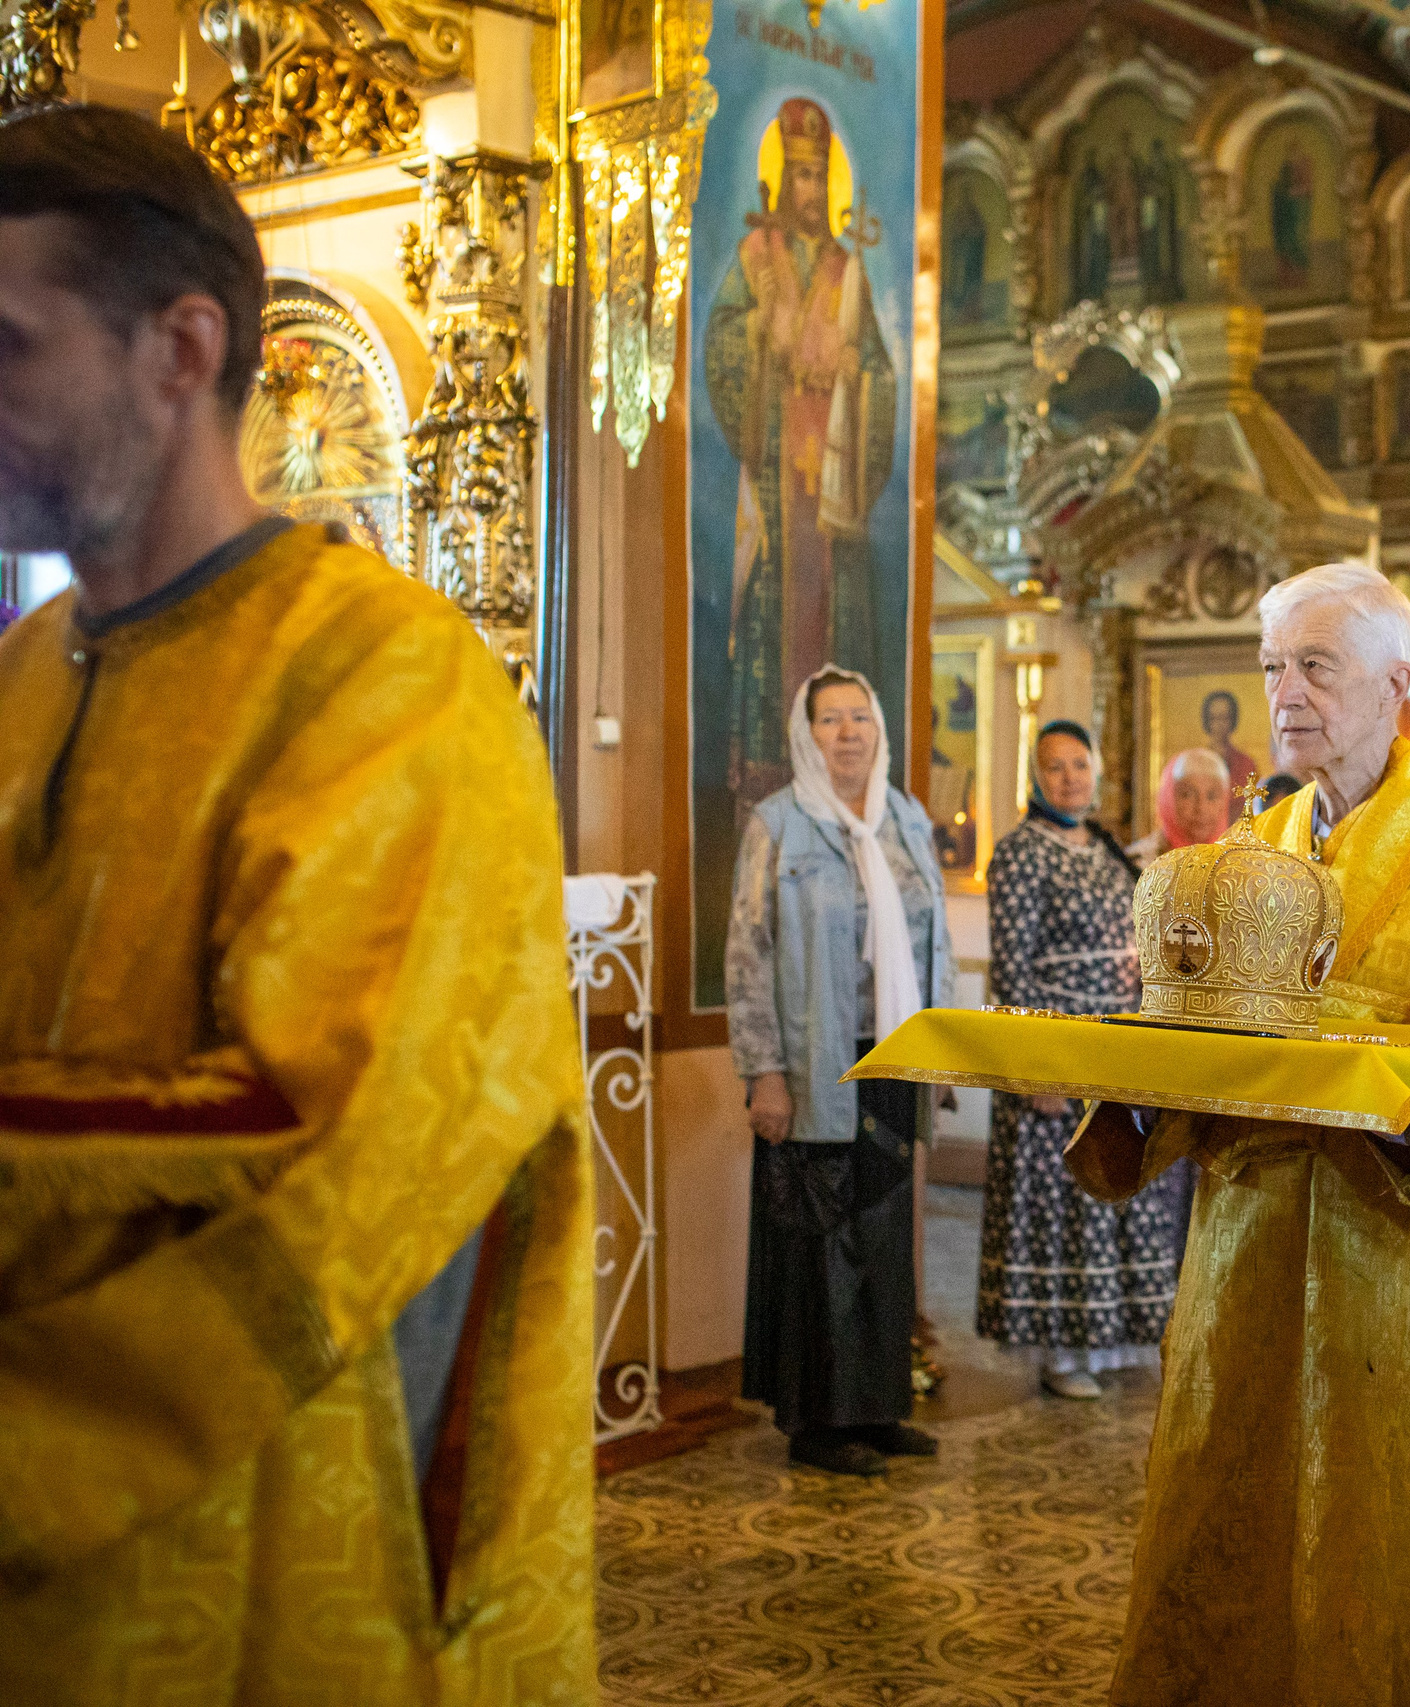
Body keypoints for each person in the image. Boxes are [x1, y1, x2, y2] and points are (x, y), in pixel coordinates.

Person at [0, 107, 594, 1702]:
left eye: (9, 343)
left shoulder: (387, 681)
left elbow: (311, 1107)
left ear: (180, 348)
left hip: (262, 1516)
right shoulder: (23, 675)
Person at [1069, 561, 1410, 1705]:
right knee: (1231, 1498)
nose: (1285, 693)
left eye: (1314, 666)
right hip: (1249, 1242)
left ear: (1396, 680)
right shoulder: (1248, 847)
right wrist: (1152, 1052)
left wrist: (1303, 1035)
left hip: (1399, 1254)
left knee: (1395, 1521)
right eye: (1270, 669)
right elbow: (1196, 1029)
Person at [726, 666, 953, 1476]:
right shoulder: (778, 825)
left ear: (879, 730)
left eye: (862, 716)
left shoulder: (904, 818)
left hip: (893, 1057)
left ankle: (879, 1405)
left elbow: (937, 946)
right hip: (813, 1063)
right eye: (832, 719)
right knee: (821, 1241)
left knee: (885, 1237)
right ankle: (819, 1422)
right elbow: (748, 955)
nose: (849, 732)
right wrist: (765, 1072)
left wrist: (945, 1052)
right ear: (806, 733)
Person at [703, 97, 900, 815]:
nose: (812, 191)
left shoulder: (849, 272)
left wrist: (855, 363)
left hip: (834, 482)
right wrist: (761, 329)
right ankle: (766, 766)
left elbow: (881, 369)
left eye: (822, 177)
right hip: (779, 482)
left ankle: (838, 777)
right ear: (783, 180)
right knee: (775, 606)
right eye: (802, 177)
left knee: (831, 616)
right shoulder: (759, 257)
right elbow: (720, 339)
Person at [979, 722, 1185, 1399]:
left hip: (1119, 1045)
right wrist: (1042, 1065)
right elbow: (1012, 968)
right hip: (1061, 1049)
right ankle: (1061, 1351)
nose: (1070, 777)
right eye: (1055, 767)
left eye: (1080, 764)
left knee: (1120, 1190)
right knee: (1063, 1201)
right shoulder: (1019, 852)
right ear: (1035, 778)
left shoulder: (1106, 847)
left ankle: (1113, 1342)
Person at [1128, 745, 1231, 865]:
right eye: (1187, 795)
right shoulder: (1137, 863)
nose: (1201, 808)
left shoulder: (1240, 865)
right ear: (1168, 799)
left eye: (1212, 796)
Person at [1199, 688, 1261, 818]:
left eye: (1224, 718)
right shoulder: (1197, 763)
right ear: (1207, 721)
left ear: (1232, 720)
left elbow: (1250, 806)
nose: (1219, 725)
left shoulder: (1246, 764)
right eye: (1214, 718)